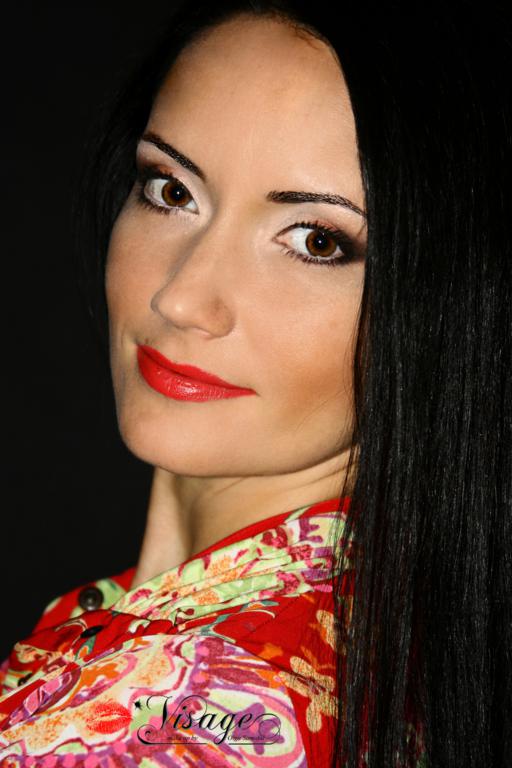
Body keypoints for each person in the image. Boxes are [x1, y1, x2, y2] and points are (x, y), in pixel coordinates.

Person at [1, 1, 510, 767]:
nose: (181, 297)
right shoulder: (348, 652)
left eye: (315, 240)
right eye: (173, 191)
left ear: (451, 302)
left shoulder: (221, 717)